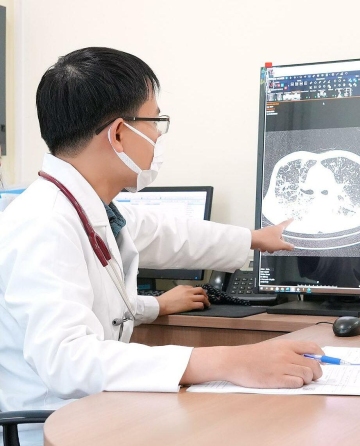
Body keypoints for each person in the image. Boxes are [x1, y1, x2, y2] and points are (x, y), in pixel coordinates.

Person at [0, 47, 323, 446]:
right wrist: (229, 360)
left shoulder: (88, 207)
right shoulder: (43, 223)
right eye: (155, 121)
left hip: (96, 413)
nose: (157, 135)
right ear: (119, 134)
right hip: (51, 429)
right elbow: (68, 360)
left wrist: (255, 239)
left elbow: (165, 234)